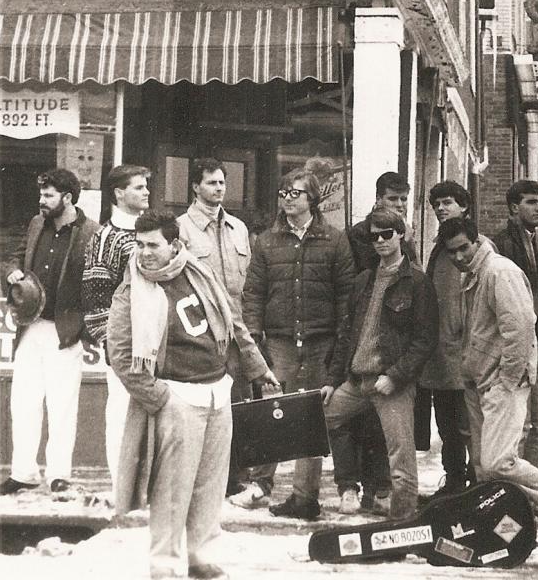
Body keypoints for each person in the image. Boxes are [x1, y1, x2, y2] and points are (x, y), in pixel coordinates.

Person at [108, 210, 277, 580]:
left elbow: (234, 325)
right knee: (171, 490)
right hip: (178, 395)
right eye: (139, 244)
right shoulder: (131, 289)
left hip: (217, 390)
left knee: (210, 485)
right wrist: (159, 397)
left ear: (174, 244)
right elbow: (120, 354)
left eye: (153, 244)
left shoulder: (200, 273)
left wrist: (258, 369)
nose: (145, 252)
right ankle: (164, 565)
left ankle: (201, 558)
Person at [440, 216, 538, 539]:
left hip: (502, 381)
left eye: (463, 248)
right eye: (452, 252)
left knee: (499, 461)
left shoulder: (499, 272)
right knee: (485, 470)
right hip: (479, 381)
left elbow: (520, 329)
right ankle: (501, 531)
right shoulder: (473, 273)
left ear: (476, 240)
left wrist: (508, 379)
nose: (458, 257)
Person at [242, 171, 355, 520]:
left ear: (313, 199)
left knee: (311, 416)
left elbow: (346, 296)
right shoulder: (266, 241)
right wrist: (254, 335)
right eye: (283, 192)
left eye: (296, 193)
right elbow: (254, 293)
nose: (288, 198)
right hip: (279, 340)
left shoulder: (334, 241)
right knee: (271, 409)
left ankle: (305, 497)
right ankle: (260, 484)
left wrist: (340, 340)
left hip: (321, 340)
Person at [0, 169, 100, 495]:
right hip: (30, 327)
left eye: (49, 195)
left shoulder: (91, 232)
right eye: (42, 194)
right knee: (23, 403)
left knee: (62, 404)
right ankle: (23, 473)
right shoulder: (37, 224)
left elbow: (97, 282)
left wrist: (82, 325)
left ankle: (58, 474)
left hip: (64, 331)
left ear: (67, 198)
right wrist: (12, 272)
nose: (42, 201)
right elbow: (14, 257)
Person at [324, 206, 438, 519]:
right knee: (327, 416)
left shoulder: (417, 282)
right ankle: (348, 486)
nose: (380, 241)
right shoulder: (364, 281)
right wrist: (332, 382)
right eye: (374, 236)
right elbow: (347, 334)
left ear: (401, 234)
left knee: (401, 457)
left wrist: (396, 376)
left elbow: (424, 341)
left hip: (390, 383)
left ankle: (403, 520)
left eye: (387, 234)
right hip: (358, 379)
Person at [174, 158, 273, 505]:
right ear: (195, 187)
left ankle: (233, 480)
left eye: (222, 183)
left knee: (238, 406)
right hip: (204, 332)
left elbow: (246, 287)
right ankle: (203, 481)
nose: (219, 189)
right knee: (204, 407)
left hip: (239, 331)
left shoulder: (238, 229)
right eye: (211, 183)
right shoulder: (181, 230)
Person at [340, 171, 419, 514]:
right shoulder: (359, 237)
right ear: (377, 199)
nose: (400, 204)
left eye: (404, 199)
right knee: (349, 420)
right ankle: (350, 484)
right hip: (364, 335)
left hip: (392, 348)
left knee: (386, 428)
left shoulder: (407, 238)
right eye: (393, 198)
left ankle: (383, 491)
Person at [83, 164, 151, 497]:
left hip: (156, 340)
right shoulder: (105, 237)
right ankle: (120, 485)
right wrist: (110, 340)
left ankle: (146, 485)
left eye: (145, 186)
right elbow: (95, 294)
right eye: (139, 187)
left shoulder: (153, 232)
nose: (147, 192)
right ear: (119, 193)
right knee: (122, 412)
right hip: (124, 342)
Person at [492, 181, 538, 472]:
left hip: (536, 351)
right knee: (516, 431)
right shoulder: (502, 244)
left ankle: (525, 489)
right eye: (531, 202)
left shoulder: (535, 241)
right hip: (511, 352)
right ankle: (512, 499)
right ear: (513, 207)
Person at [415, 182, 475, 500]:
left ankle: (475, 488)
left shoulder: (473, 245)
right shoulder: (439, 245)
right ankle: (454, 484)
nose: (440, 208)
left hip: (463, 352)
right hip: (439, 353)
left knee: (467, 426)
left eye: (448, 202)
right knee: (448, 426)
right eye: (436, 204)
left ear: (465, 206)